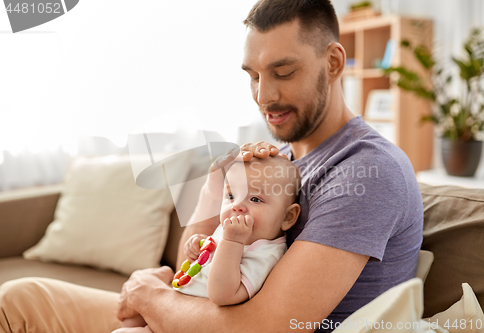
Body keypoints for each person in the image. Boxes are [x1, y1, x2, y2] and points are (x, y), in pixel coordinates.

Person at [0, 0, 423, 332]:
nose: (263, 96)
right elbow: (195, 257)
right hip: (196, 314)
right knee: (19, 299)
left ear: (333, 63)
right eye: (253, 75)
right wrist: (218, 181)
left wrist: (150, 297)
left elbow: (269, 327)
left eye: (283, 71)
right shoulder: (279, 162)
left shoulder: (365, 168)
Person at [121, 156, 301, 331]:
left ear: (288, 217)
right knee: (128, 318)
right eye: (231, 195)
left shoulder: (265, 254)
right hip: (174, 308)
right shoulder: (230, 229)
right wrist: (197, 246)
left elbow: (221, 294)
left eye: (255, 199)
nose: (236, 205)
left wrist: (232, 241)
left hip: (192, 323)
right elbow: (198, 264)